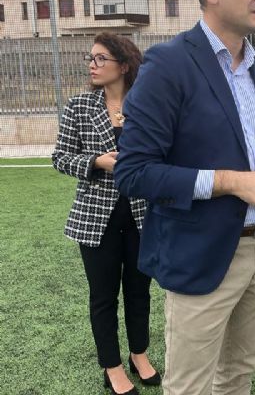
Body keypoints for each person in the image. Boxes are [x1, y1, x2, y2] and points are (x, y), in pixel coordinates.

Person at [113, 0, 255, 395]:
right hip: (203, 253)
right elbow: (134, 172)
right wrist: (230, 183)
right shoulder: (169, 64)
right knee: (190, 386)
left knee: (240, 372)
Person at [52, 32, 160, 395]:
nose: (92, 66)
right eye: (91, 59)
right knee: (103, 295)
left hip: (142, 215)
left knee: (139, 291)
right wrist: (96, 162)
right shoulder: (80, 106)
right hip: (95, 219)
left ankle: (138, 354)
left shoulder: (146, 105)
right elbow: (60, 157)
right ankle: (112, 366)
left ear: (124, 65)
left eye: (101, 59)